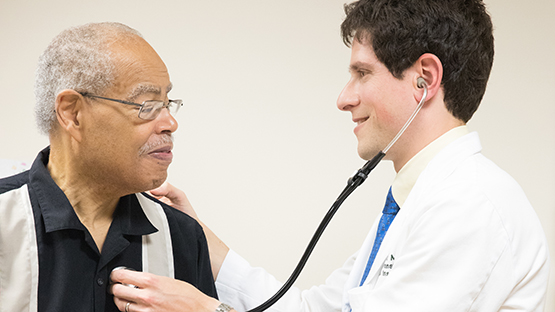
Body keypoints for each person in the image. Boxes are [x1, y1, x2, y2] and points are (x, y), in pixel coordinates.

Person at [110, 0, 550, 311]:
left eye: (362, 73)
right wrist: (199, 238)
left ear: (425, 79)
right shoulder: (421, 205)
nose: (344, 98)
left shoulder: (469, 206)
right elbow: (307, 309)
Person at [0, 22, 217, 312]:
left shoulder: (182, 237)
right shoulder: (6, 220)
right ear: (73, 113)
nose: (170, 123)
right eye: (147, 105)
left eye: (167, 103)